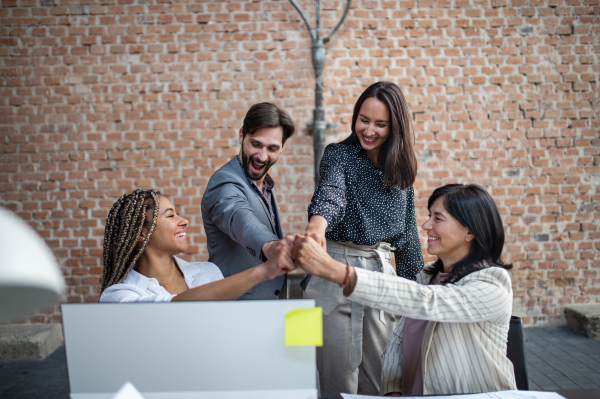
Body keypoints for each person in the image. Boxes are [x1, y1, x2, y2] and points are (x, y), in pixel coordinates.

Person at [292, 184, 517, 396]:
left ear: (470, 232)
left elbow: (427, 302)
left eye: (438, 218)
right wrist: (392, 389)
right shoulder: (428, 277)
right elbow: (398, 341)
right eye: (429, 216)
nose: (426, 225)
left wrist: (339, 272)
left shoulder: (493, 283)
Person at [301, 81, 423, 397]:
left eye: (380, 124)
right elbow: (331, 194)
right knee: (335, 375)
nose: (368, 130)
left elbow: (408, 239)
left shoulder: (402, 173)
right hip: (334, 271)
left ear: (395, 127)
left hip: (383, 276)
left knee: (383, 377)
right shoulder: (339, 155)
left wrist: (420, 298)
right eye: (363, 120)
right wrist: (317, 226)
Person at [99, 189, 295, 303]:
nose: (183, 221)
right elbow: (170, 311)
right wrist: (264, 270)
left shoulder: (209, 273)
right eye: (170, 215)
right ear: (141, 232)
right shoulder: (119, 295)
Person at [201, 102, 295, 300]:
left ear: (282, 147)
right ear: (241, 135)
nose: (262, 156)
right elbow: (240, 218)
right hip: (238, 306)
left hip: (267, 304)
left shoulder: (266, 185)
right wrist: (270, 246)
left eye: (272, 148)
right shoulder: (224, 183)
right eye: (256, 144)